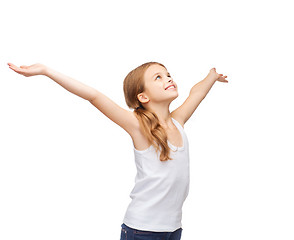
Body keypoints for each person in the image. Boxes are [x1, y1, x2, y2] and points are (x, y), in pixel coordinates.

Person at [8, 61, 228, 240]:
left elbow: (197, 93)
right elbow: (92, 95)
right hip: (142, 230)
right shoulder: (138, 126)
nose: (168, 78)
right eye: (158, 77)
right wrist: (46, 71)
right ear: (143, 97)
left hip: (173, 229)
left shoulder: (178, 121)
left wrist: (212, 76)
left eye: (168, 73)